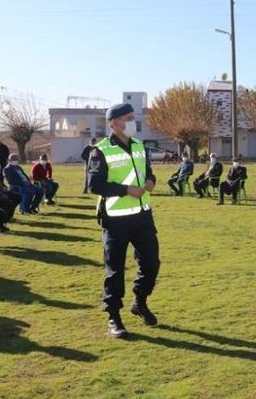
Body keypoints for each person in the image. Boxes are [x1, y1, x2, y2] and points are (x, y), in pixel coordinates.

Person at [88, 103, 160, 338]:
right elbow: (95, 185)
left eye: (133, 118)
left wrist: (150, 182)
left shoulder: (139, 145)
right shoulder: (100, 150)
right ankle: (113, 317)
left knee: (151, 263)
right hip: (116, 218)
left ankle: (140, 301)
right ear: (113, 123)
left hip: (142, 215)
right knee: (115, 270)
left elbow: (148, 172)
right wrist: (126, 190)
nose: (132, 122)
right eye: (128, 118)